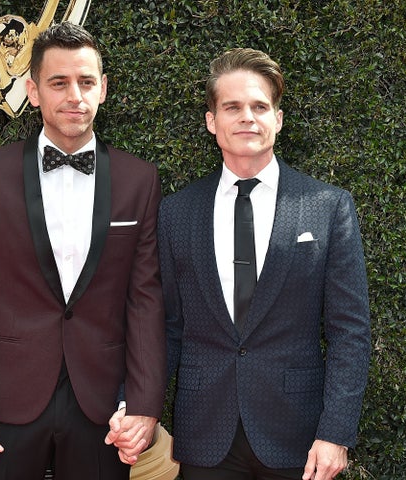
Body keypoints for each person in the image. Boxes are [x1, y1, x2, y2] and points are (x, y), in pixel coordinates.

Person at [0, 21, 166, 480]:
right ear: (33, 91)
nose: (74, 96)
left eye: (85, 82)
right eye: (58, 82)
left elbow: (145, 300)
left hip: (102, 411)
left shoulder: (140, 180)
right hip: (4, 404)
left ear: (103, 89)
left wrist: (143, 405)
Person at [157, 48, 371, 480]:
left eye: (259, 106)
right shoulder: (175, 213)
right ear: (211, 121)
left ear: (278, 118)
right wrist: (136, 405)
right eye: (232, 107)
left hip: (300, 438)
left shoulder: (327, 207)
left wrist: (336, 433)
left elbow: (350, 332)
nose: (247, 118)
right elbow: (165, 328)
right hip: (204, 439)